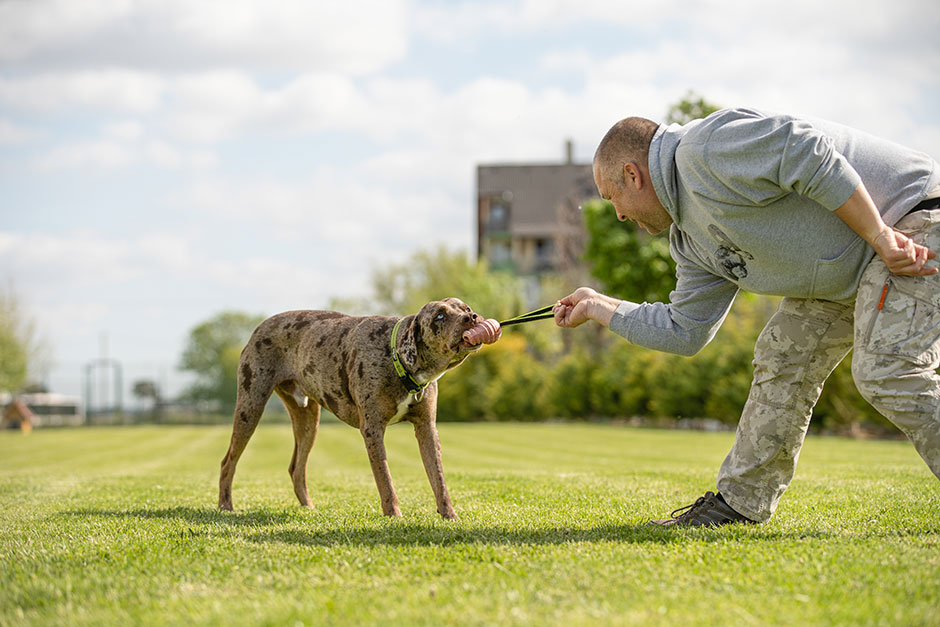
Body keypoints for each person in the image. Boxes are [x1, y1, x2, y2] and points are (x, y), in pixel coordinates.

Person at [553, 107, 940, 526]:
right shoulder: (689, 241)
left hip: (912, 218)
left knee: (887, 369)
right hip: (853, 265)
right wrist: (599, 307)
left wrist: (881, 236)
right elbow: (686, 331)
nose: (620, 216)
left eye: (613, 199)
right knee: (782, 357)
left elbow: (806, 148)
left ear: (632, 175)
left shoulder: (704, 151)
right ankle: (739, 506)